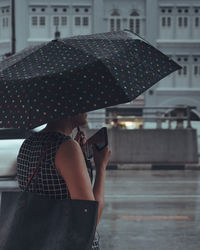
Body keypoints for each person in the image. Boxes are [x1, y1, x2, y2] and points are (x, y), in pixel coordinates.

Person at [16, 112, 111, 250]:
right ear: (69, 107)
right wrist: (101, 166)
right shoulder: (66, 147)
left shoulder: (28, 143)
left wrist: (77, 155)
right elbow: (89, 221)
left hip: (38, 240)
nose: (87, 110)